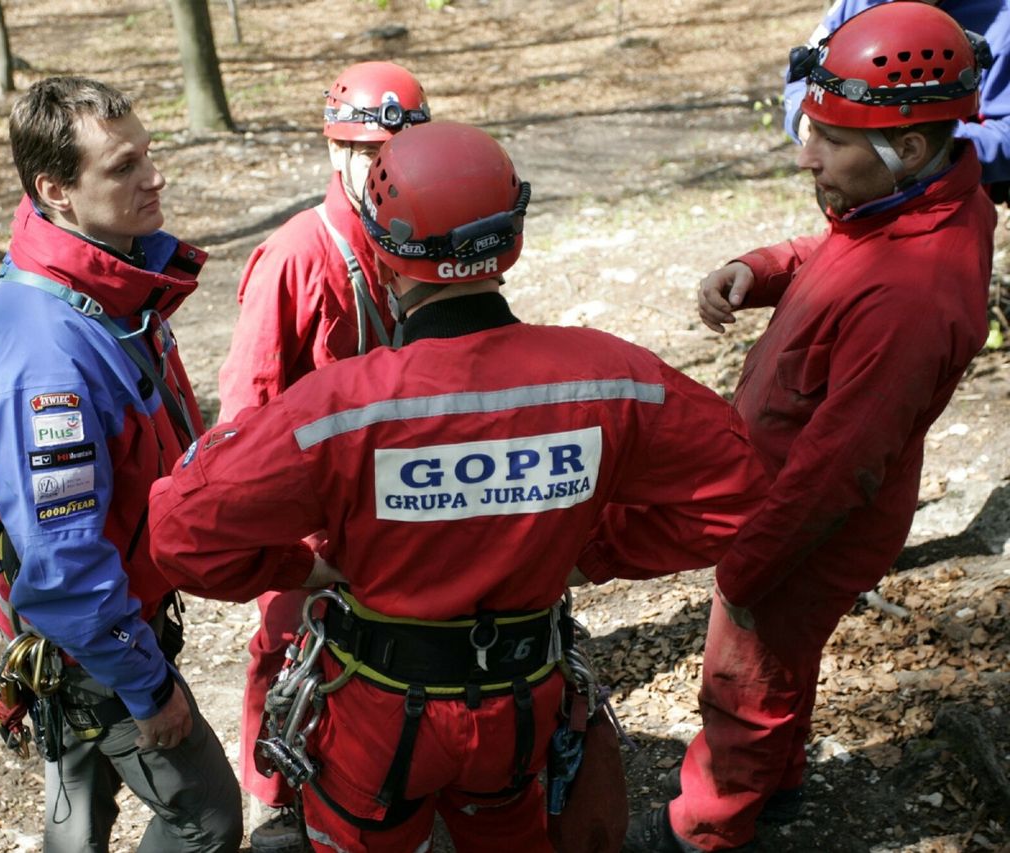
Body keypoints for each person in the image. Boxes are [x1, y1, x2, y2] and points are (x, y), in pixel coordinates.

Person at [149, 120, 771, 853]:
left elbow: (179, 528)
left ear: (380, 255)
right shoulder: (609, 379)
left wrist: (299, 568)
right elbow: (739, 488)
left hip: (375, 716)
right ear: (511, 240)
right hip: (519, 707)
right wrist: (588, 555)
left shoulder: (340, 411)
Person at [627, 6, 996, 851]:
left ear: (904, 147)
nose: (806, 155)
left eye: (830, 140)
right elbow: (836, 249)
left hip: (808, 520)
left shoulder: (914, 295)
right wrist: (756, 270)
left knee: (747, 675)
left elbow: (840, 467)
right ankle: (777, 786)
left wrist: (746, 568)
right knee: (780, 664)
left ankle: (706, 827)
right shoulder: (918, 205)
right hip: (797, 498)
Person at [0, 76, 242, 853]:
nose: (153, 176)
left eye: (148, 154)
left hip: (90, 625)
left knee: (78, 816)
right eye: (122, 167)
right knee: (207, 817)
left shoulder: (112, 284)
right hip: (94, 635)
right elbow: (65, 558)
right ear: (55, 191)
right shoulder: (44, 356)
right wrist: (147, 685)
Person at [216, 60, 429, 853]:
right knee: (290, 659)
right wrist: (283, 553)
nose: (386, 170)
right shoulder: (297, 256)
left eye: (400, 154)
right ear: (336, 148)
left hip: (391, 513)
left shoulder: (416, 231)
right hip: (312, 531)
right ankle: (281, 804)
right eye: (371, 152)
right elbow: (248, 417)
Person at [781, 0, 1008, 195]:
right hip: (852, 203)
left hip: (939, 204)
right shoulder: (859, 3)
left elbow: (1006, 138)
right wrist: (803, 117)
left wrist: (924, 142)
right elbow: (802, 72)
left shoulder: (1001, 23)